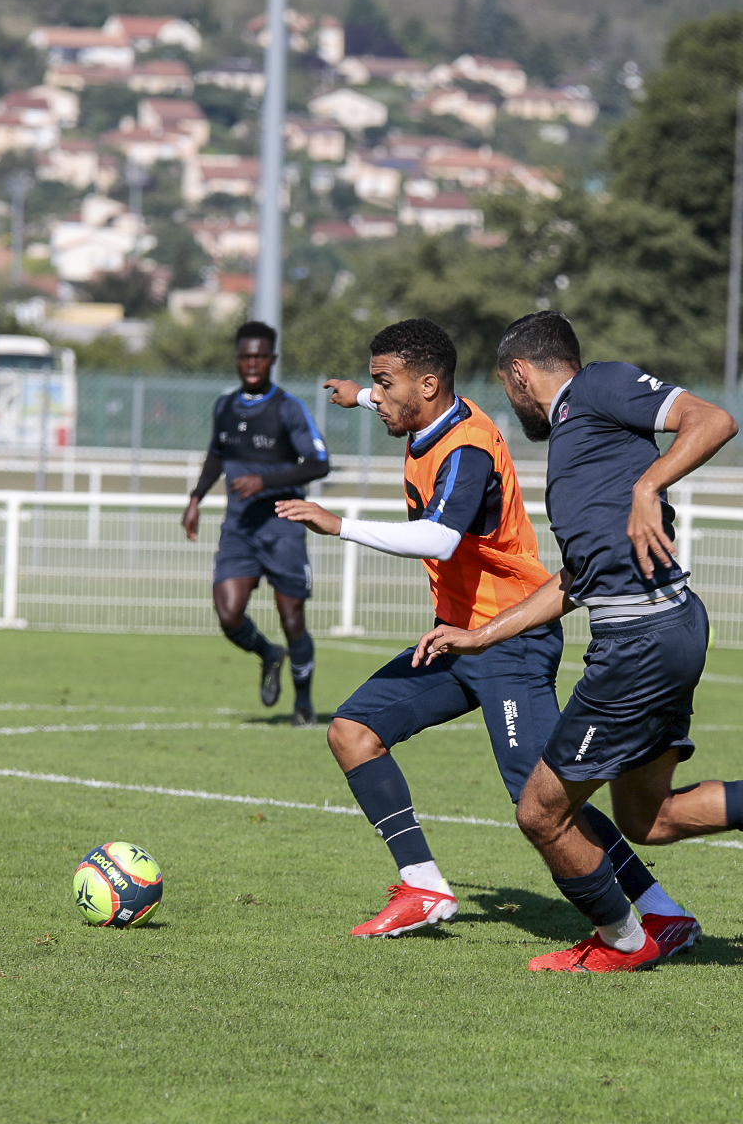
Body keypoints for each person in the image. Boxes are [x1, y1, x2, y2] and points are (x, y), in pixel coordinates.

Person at [415, 311, 743, 972]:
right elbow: (577, 579)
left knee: (540, 813)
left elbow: (714, 419)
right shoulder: (576, 439)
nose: (511, 401)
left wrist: (650, 485)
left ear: (519, 373)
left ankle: (623, 942)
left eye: (508, 388)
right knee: (648, 821)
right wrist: (482, 636)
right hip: (665, 625)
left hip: (640, 641)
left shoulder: (596, 388)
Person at [275, 318, 696, 952]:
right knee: (353, 731)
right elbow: (402, 403)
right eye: (374, 385)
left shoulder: (468, 447)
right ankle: (424, 886)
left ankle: (658, 912)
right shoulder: (427, 416)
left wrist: (339, 525)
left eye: (382, 384)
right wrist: (357, 397)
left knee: (546, 800)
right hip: (457, 638)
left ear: (428, 383)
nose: (378, 395)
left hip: (509, 640)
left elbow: (439, 538)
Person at [182, 322, 330, 727]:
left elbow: (319, 463)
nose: (251, 363)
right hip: (240, 528)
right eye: (245, 356)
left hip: (282, 526)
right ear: (237, 359)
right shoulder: (225, 407)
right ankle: (268, 654)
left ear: (272, 360)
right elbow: (216, 455)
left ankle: (303, 703)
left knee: (292, 617)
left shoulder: (287, 408)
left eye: (259, 356)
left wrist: (265, 481)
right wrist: (195, 498)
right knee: (228, 615)